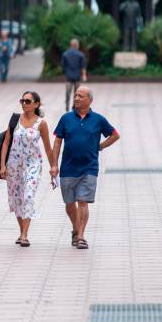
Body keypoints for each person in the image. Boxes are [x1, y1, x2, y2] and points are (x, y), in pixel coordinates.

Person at [51, 87, 120, 250]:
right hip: (68, 168)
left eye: (80, 96)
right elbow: (57, 142)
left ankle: (81, 236)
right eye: (75, 96)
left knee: (83, 202)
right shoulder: (66, 118)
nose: (76, 98)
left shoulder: (98, 119)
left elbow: (115, 134)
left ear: (90, 100)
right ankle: (75, 228)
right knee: (69, 204)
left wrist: (101, 146)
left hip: (89, 167)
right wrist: (54, 164)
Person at [0, 91, 56, 247]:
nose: (24, 103)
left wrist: (54, 166)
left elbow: (47, 147)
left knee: (28, 196)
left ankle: (24, 235)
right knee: (16, 199)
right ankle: (22, 231)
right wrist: (3, 165)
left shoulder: (41, 123)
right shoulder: (15, 120)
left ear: (36, 104)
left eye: (28, 101)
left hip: (33, 164)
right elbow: (5, 143)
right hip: (13, 165)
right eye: (22, 100)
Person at [61, 38, 88, 111]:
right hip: (77, 77)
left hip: (68, 77)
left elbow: (63, 66)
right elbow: (83, 66)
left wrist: (66, 72)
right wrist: (84, 75)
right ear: (77, 45)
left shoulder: (65, 54)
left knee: (68, 92)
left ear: (71, 45)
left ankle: (67, 106)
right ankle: (74, 107)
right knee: (77, 94)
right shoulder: (80, 55)